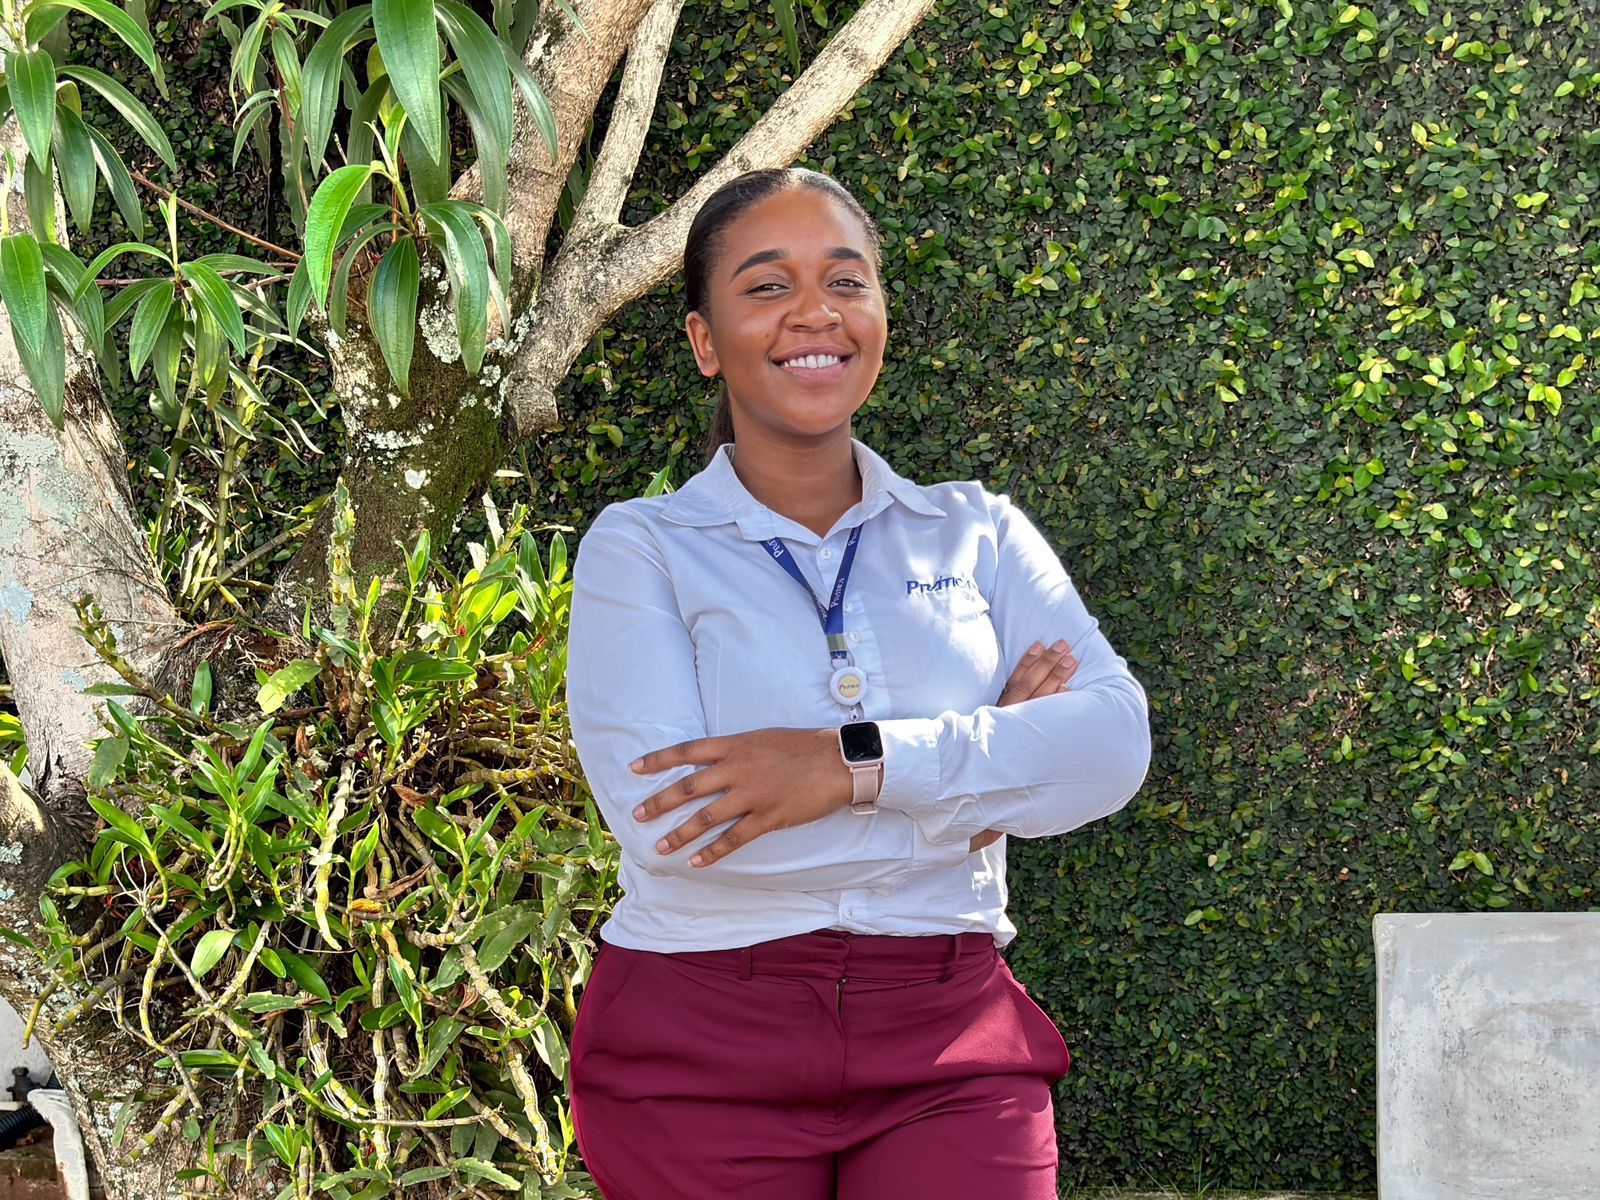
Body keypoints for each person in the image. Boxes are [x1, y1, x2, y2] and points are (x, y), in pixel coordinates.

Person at [563, 166, 1152, 1200]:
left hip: (950, 1034)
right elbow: (675, 828)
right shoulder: (642, 546)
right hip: (697, 1038)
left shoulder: (979, 530)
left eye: (846, 280)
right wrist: (980, 792)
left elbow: (1112, 747)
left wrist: (849, 768)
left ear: (879, 314)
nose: (814, 312)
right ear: (704, 340)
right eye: (766, 285)